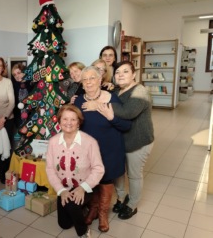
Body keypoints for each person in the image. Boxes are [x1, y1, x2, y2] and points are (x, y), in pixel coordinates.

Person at [84, 61, 154, 220]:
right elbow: (106, 94)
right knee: (119, 173)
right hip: (123, 140)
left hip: (139, 142)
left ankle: (132, 205)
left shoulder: (140, 91)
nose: (121, 75)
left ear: (134, 74)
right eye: (118, 73)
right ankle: (121, 199)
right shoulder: (118, 90)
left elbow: (127, 112)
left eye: (125, 71)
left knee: (134, 175)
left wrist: (98, 104)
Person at [74, 66, 131, 232]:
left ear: (100, 80)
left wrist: (104, 110)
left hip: (109, 150)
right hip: (87, 152)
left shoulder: (112, 99)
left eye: (92, 78)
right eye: (85, 79)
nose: (89, 82)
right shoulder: (78, 101)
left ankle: (103, 213)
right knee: (91, 182)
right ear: (82, 84)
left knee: (106, 181)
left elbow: (126, 125)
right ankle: (93, 209)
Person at [46, 104, 104, 238]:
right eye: (65, 119)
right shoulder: (53, 142)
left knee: (72, 204)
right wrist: (61, 190)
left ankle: (83, 231)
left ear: (79, 122)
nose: (69, 123)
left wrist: (83, 188)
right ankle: (82, 209)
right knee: (64, 224)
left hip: (86, 186)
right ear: (59, 121)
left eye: (73, 119)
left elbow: (98, 169)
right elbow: (49, 169)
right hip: (64, 188)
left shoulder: (90, 142)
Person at [11, 63, 33, 134]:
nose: (17, 76)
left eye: (18, 73)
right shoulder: (12, 86)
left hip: (31, 115)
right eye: (14, 74)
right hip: (18, 117)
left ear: (24, 72)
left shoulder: (31, 83)